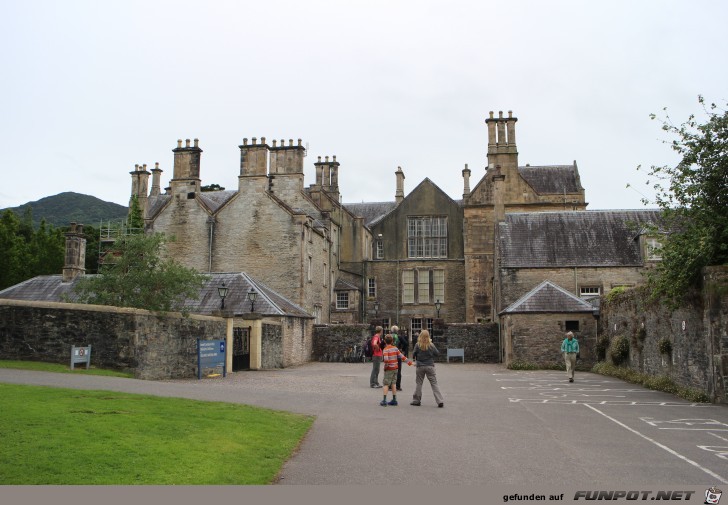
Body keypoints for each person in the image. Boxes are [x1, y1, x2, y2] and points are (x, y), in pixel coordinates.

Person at [410, 330, 444, 407]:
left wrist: (416, 359)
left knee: (419, 383)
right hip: (430, 366)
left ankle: (416, 400)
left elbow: (414, 354)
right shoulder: (431, 345)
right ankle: (439, 401)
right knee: (434, 383)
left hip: (420, 366)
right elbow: (437, 354)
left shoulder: (417, 345)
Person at [380, 334, 413, 406]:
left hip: (389, 368)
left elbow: (386, 360)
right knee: (393, 384)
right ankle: (394, 400)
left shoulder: (385, 349)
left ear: (385, 341)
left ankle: (384, 400)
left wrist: (385, 367)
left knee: (386, 384)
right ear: (392, 341)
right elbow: (402, 357)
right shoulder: (395, 348)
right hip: (395, 368)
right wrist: (410, 363)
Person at [392, 325, 408, 391]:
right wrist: (402, 349)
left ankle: (390, 386)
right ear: (397, 331)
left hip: (390, 355)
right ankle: (398, 386)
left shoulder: (389, 336)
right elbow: (406, 343)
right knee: (398, 371)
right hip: (397, 354)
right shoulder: (399, 337)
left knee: (390, 370)